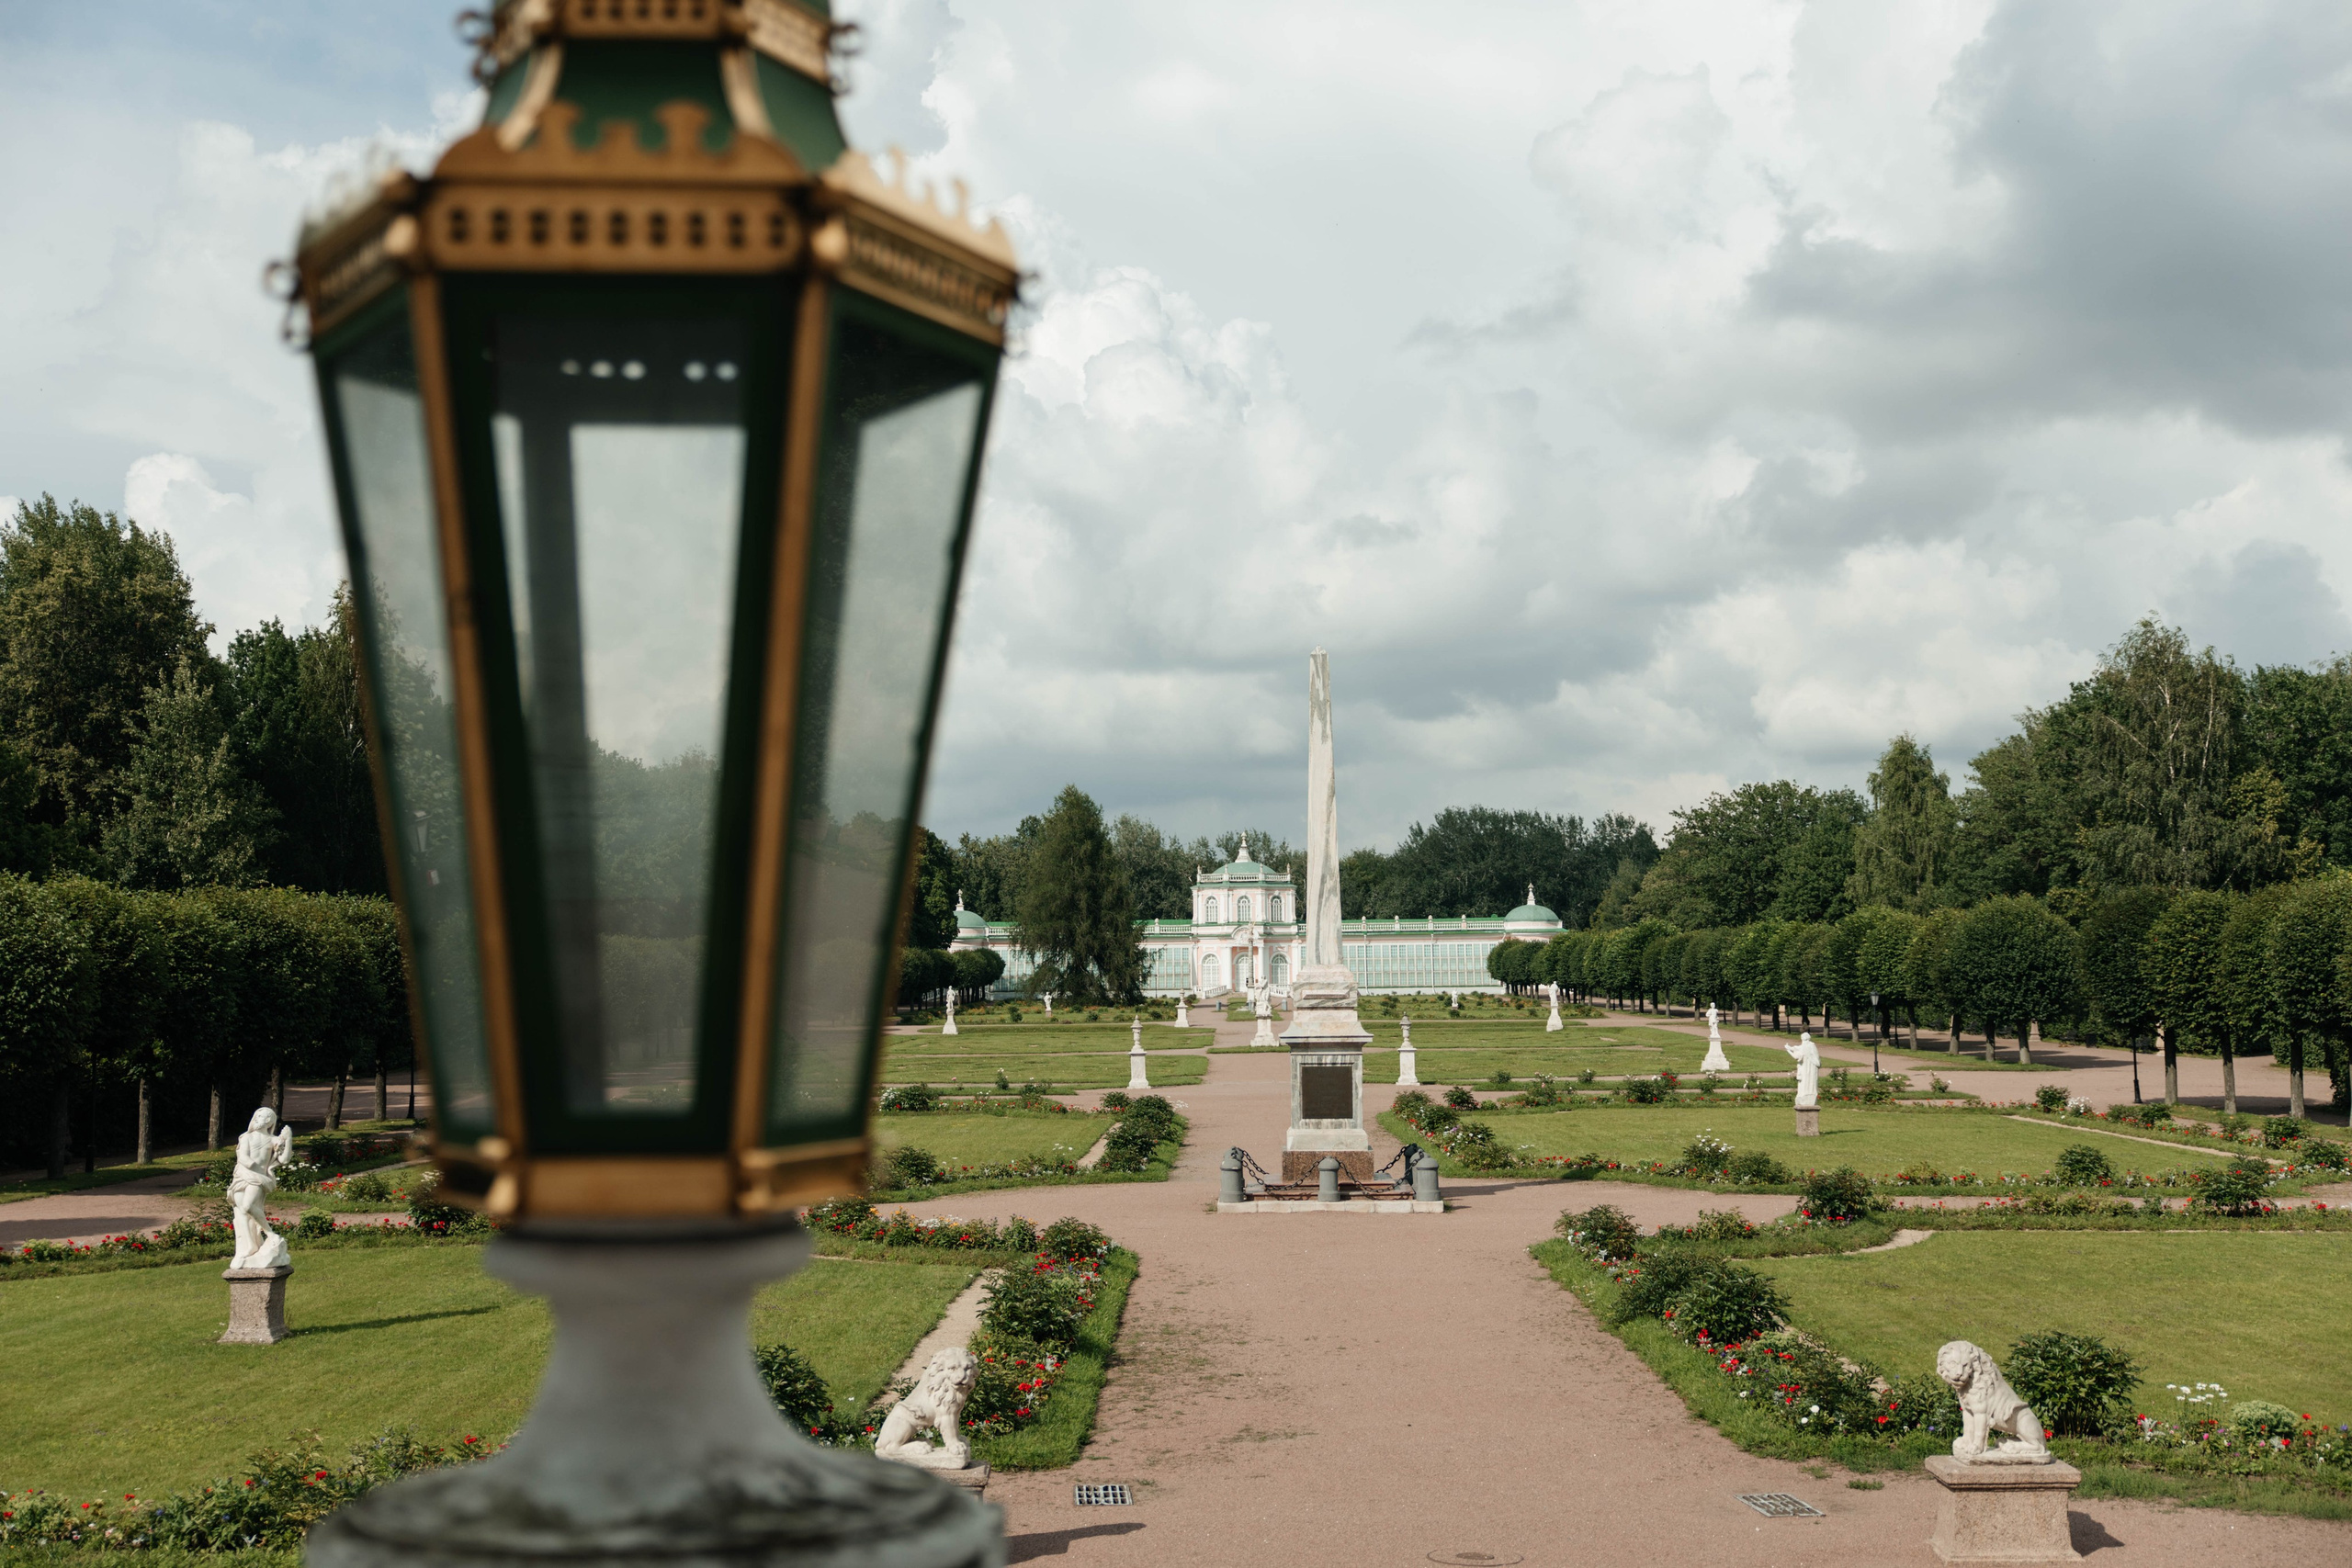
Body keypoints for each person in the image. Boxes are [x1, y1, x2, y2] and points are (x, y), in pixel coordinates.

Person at [228, 1106, 296, 1269]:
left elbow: (285, 1160)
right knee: (241, 1213)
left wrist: (288, 1140)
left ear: (269, 1122)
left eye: (262, 1118)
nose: (257, 1121)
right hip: (242, 1175)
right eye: (256, 1117)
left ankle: (270, 1234)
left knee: (249, 1206)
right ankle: (248, 1247)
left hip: (258, 1179)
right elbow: (242, 1156)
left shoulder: (273, 1140)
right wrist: (254, 1167)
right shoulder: (246, 1137)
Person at [1783, 1032, 1821, 1110]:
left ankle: (1807, 1095)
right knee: (1806, 1081)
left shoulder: (1806, 1047)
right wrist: (1789, 1048)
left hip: (1809, 1068)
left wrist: (1788, 1049)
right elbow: (1797, 1048)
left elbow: (1796, 1051)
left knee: (1806, 1081)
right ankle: (1805, 1095)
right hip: (1808, 1068)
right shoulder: (1810, 1046)